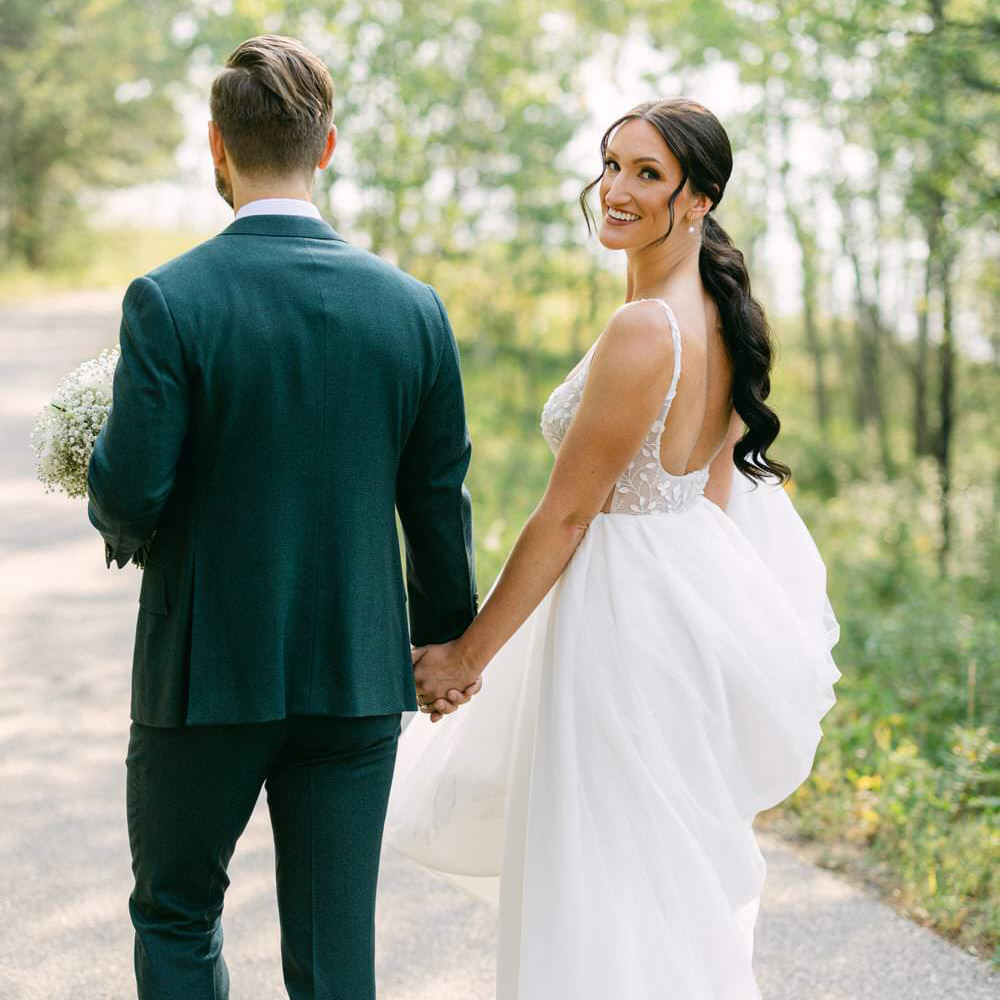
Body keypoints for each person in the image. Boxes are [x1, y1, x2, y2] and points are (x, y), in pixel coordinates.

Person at [385, 98, 841, 999]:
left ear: (698, 201)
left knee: (596, 874)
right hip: (672, 614)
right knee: (650, 873)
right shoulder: (714, 312)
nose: (616, 191)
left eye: (647, 175)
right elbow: (709, 493)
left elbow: (566, 516)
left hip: (615, 633)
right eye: (611, 165)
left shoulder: (646, 329)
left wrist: (466, 657)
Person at [86, 34, 478, 999]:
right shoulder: (413, 310)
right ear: (329, 146)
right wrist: (442, 642)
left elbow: (131, 493)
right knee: (334, 946)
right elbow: (437, 501)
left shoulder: (169, 300)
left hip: (204, 673)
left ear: (215, 144)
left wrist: (108, 494)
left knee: (177, 912)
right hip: (353, 675)